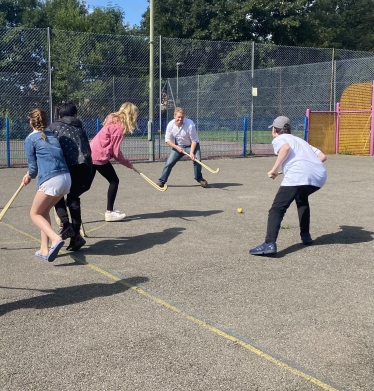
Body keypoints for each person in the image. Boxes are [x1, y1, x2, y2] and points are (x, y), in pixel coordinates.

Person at [249, 116, 327, 255]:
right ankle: (306, 236)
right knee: (301, 198)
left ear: (274, 129)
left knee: (277, 208)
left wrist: (274, 169)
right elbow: (322, 156)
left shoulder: (279, 139)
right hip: (319, 176)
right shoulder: (300, 141)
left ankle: (269, 244)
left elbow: (285, 148)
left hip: (298, 175)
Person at [22, 108, 71, 262]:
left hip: (52, 179)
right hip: (66, 178)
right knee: (43, 212)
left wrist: (28, 176)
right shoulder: (52, 135)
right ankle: (44, 249)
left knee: (34, 214)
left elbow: (33, 169)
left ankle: (55, 238)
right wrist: (30, 174)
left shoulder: (30, 139)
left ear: (31, 122)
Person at [50, 101, 92, 251]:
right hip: (84, 166)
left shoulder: (54, 127)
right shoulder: (80, 127)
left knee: (56, 194)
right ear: (75, 115)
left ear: (59, 115)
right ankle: (75, 237)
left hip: (66, 167)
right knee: (73, 199)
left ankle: (66, 224)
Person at [89, 102, 138, 222]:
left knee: (85, 185)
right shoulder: (119, 128)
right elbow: (116, 153)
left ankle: (65, 203)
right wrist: (127, 163)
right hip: (99, 156)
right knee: (114, 180)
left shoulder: (112, 120)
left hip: (91, 152)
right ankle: (109, 212)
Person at [157, 107, 207, 188]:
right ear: (174, 116)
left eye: (182, 117)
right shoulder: (170, 125)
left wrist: (191, 152)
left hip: (192, 145)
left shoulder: (190, 124)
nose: (180, 119)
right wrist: (176, 147)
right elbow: (167, 140)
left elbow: (194, 140)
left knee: (197, 160)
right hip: (179, 146)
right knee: (169, 163)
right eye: (178, 117)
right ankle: (161, 181)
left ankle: (199, 178)